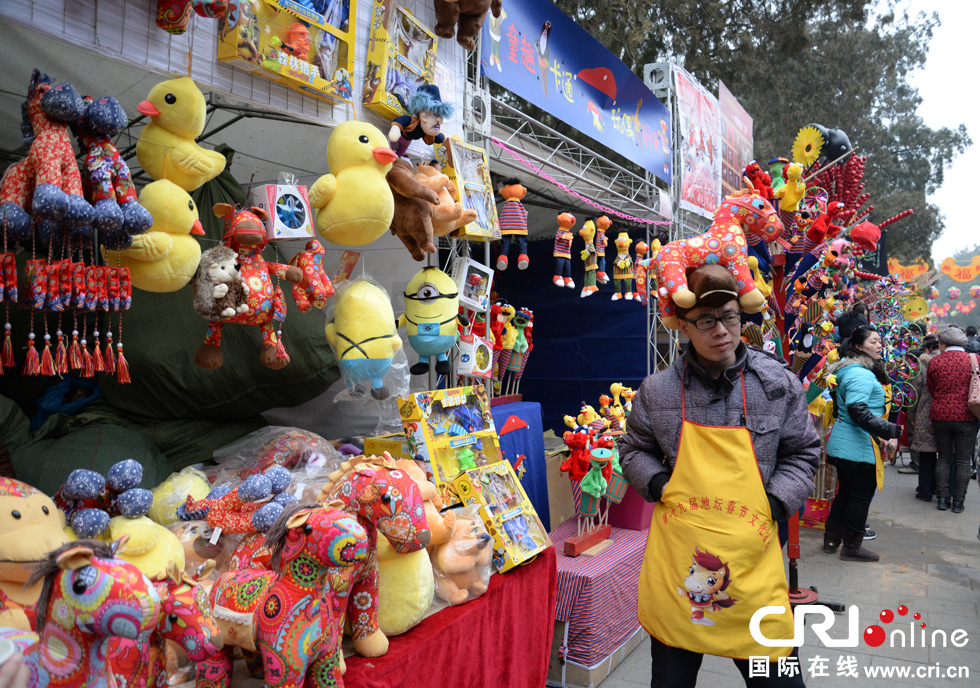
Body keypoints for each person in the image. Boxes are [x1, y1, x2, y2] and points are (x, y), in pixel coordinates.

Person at [619, 265, 820, 688]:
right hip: (681, 565)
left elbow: (803, 452)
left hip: (753, 560)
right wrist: (660, 485)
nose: (721, 331)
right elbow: (634, 448)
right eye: (706, 321)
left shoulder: (778, 385)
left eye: (729, 317)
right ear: (684, 326)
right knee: (671, 681)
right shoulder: (657, 391)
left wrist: (775, 503)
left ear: (741, 318)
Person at [823, 326, 902, 563]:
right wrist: (889, 429)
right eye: (874, 341)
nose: (880, 346)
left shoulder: (850, 370)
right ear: (859, 346)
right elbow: (858, 411)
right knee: (859, 497)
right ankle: (851, 547)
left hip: (845, 444)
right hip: (857, 446)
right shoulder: (860, 374)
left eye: (880, 341)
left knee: (845, 493)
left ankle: (831, 540)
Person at [927, 326, 978, 513]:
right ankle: (958, 502)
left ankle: (942, 499)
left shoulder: (935, 362)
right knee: (964, 460)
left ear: (942, 344)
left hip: (940, 414)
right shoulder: (975, 360)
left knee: (944, 458)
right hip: (967, 416)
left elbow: (931, 388)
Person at [909, 335, 940, 501]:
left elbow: (915, 391)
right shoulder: (951, 362)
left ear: (927, 349)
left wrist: (912, 415)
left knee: (927, 453)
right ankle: (942, 491)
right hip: (950, 415)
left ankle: (925, 490)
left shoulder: (922, 365)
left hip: (926, 412)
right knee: (946, 455)